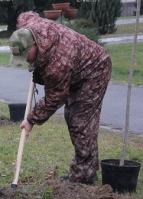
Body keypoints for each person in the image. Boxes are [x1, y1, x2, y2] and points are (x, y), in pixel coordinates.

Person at [9, 12, 112, 185]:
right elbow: (26, 15)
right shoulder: (27, 27)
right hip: (76, 68)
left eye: (26, 56)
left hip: (95, 70)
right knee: (71, 116)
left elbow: (55, 98)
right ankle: (86, 167)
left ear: (34, 45)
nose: (25, 60)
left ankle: (83, 178)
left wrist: (31, 120)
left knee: (80, 122)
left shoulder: (57, 63)